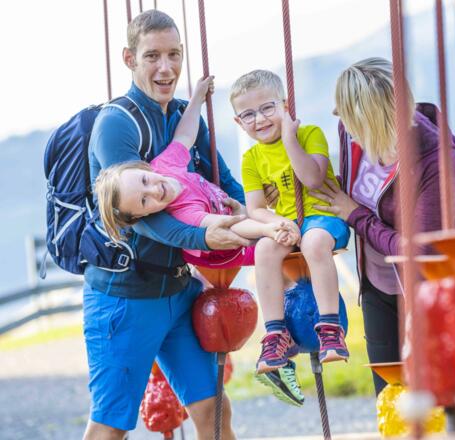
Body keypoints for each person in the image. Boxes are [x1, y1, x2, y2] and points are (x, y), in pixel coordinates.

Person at [84, 10, 248, 439]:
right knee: (111, 424)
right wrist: (203, 236)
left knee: (214, 409)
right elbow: (143, 219)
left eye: (174, 54)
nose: (166, 68)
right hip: (125, 297)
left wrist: (258, 220)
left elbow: (223, 181)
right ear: (129, 59)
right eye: (152, 56)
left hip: (178, 288)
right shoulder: (115, 125)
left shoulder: (183, 116)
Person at [309, 57, 455, 396]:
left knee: (442, 395)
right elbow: (356, 190)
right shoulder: (350, 133)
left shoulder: (434, 158)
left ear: (370, 117)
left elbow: (421, 249)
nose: (338, 118)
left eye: (346, 114)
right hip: (378, 283)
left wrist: (355, 215)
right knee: (390, 394)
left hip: (432, 287)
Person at [94, 76, 293, 269]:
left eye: (145, 180)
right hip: (224, 248)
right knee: (279, 247)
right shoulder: (183, 212)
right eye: (144, 200)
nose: (154, 190)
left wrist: (197, 98)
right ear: (143, 215)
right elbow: (229, 226)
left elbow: (185, 135)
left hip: (236, 218)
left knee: (285, 231)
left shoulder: (164, 165)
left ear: (145, 168)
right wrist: (267, 229)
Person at [230, 69, 351, 373]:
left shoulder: (308, 135)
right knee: (264, 249)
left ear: (285, 106)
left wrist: (288, 139)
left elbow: (312, 179)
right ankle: (275, 333)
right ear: (239, 122)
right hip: (289, 223)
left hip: (324, 217)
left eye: (267, 108)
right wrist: (277, 224)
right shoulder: (251, 159)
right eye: (248, 114)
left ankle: (330, 327)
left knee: (313, 242)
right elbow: (256, 208)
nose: (259, 119)